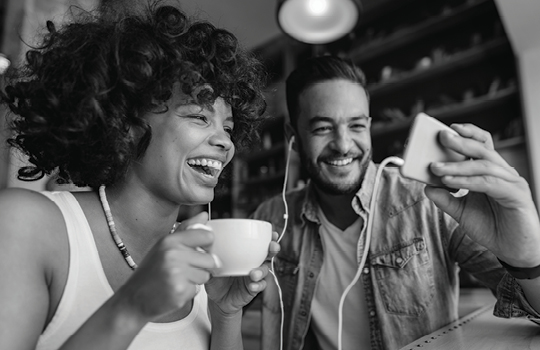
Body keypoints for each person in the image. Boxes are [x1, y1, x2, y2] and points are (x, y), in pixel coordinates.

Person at [0, 2, 279, 350]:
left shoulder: (201, 261)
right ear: (128, 123)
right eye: (199, 117)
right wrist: (135, 303)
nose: (225, 141)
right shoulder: (25, 224)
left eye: (228, 127)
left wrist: (224, 314)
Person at [251, 55, 540, 350]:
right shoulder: (271, 218)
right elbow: (224, 303)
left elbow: (532, 312)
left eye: (356, 126)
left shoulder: (429, 201)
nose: (343, 144)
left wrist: (529, 259)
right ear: (294, 138)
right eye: (322, 128)